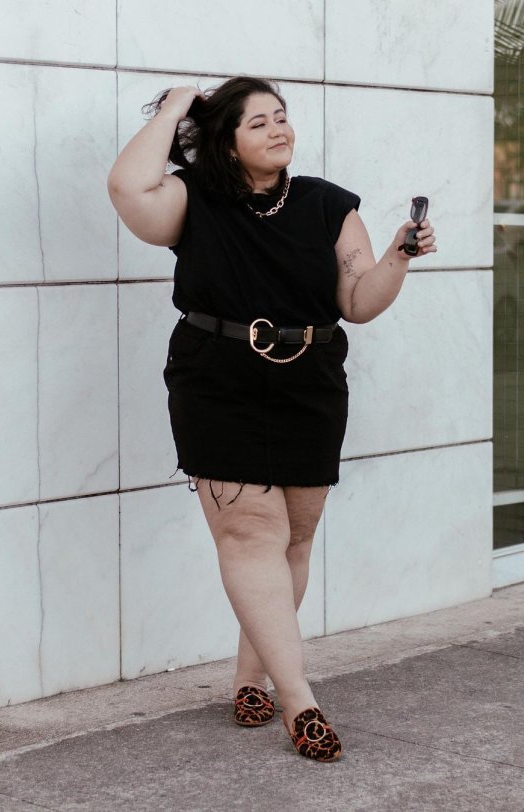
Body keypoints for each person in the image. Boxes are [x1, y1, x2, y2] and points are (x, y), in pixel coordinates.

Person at [108, 76, 437, 763]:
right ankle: (300, 702)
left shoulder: (327, 204)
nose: (278, 130)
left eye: (281, 118)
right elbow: (129, 189)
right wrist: (176, 108)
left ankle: (250, 679)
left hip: (310, 381)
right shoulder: (190, 200)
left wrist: (397, 255)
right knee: (251, 531)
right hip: (216, 378)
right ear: (226, 142)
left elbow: (358, 299)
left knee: (293, 539)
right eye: (257, 122)